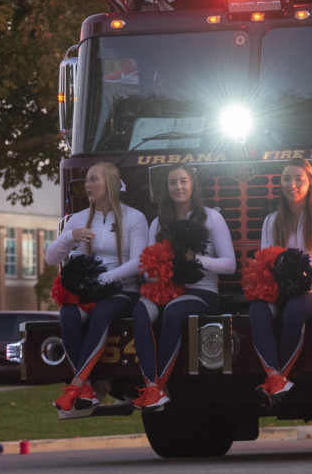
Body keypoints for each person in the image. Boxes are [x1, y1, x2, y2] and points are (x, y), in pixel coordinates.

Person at [129, 165, 236, 409]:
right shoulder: (158, 223)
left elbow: (230, 264)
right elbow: (145, 269)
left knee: (174, 312)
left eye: (183, 181)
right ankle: (152, 386)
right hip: (165, 288)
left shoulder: (211, 217)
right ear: (166, 189)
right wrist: (158, 268)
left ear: (193, 185)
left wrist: (194, 260)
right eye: (172, 183)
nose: (178, 187)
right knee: (140, 312)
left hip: (203, 291)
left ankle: (157, 387)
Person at [45, 161, 149, 413]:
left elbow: (139, 261)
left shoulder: (134, 218)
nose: (87, 185)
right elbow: (50, 258)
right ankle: (89, 389)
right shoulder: (78, 220)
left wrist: (106, 278)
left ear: (110, 185)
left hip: (122, 291)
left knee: (102, 313)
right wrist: (70, 236)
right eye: (87, 180)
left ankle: (76, 386)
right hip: (87, 292)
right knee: (68, 315)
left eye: (93, 180)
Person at [249, 160, 312, 401]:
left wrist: (309, 278)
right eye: (286, 179)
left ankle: (281, 376)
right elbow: (265, 260)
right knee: (258, 309)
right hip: (284, 287)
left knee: (295, 308)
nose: (292, 185)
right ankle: (275, 378)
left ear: (310, 182)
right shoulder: (272, 220)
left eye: (298, 179)